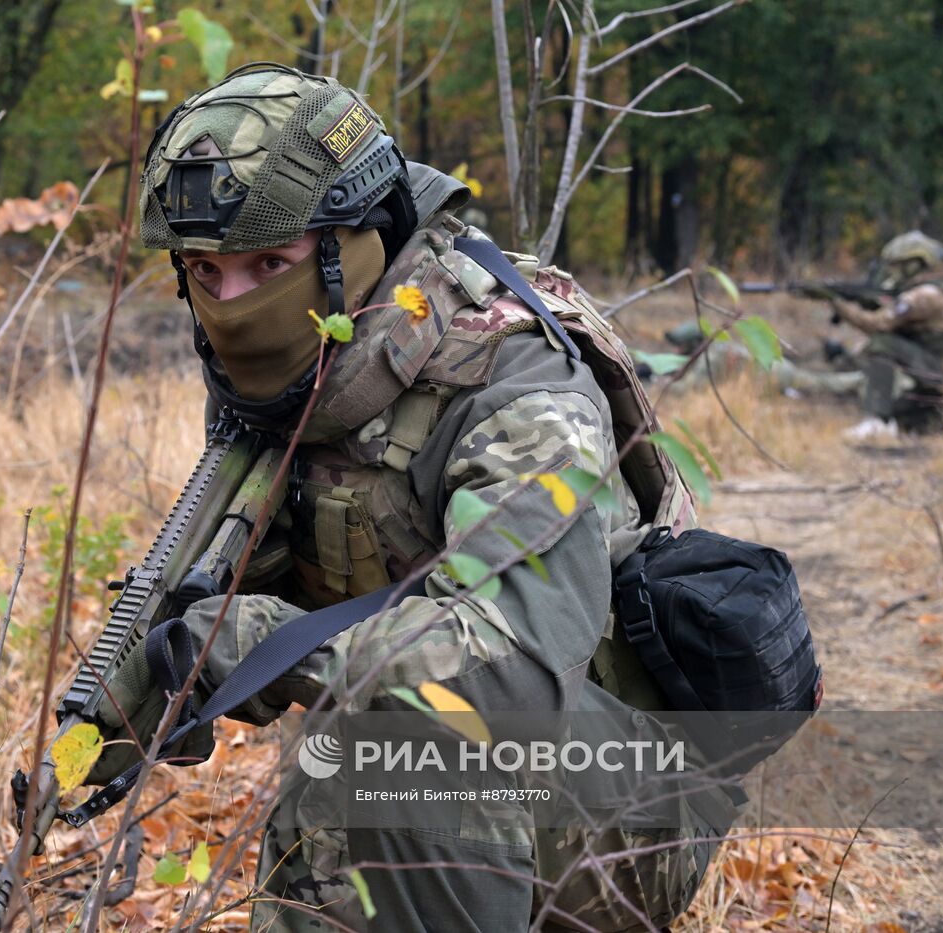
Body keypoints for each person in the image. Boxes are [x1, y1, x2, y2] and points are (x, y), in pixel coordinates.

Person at [88, 64, 734, 931]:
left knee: (386, 752)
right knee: (341, 778)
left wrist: (254, 643)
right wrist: (116, 721)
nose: (233, 303)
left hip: (629, 809)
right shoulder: (300, 376)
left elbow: (510, 683)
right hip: (471, 792)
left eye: (268, 264)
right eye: (206, 271)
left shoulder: (517, 385)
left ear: (353, 244)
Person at [830, 231, 943, 439]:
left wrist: (838, 305)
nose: (892, 272)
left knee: (882, 343)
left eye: (897, 265)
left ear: (914, 265)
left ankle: (877, 420)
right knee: (910, 417)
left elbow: (877, 325)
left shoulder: (923, 295)